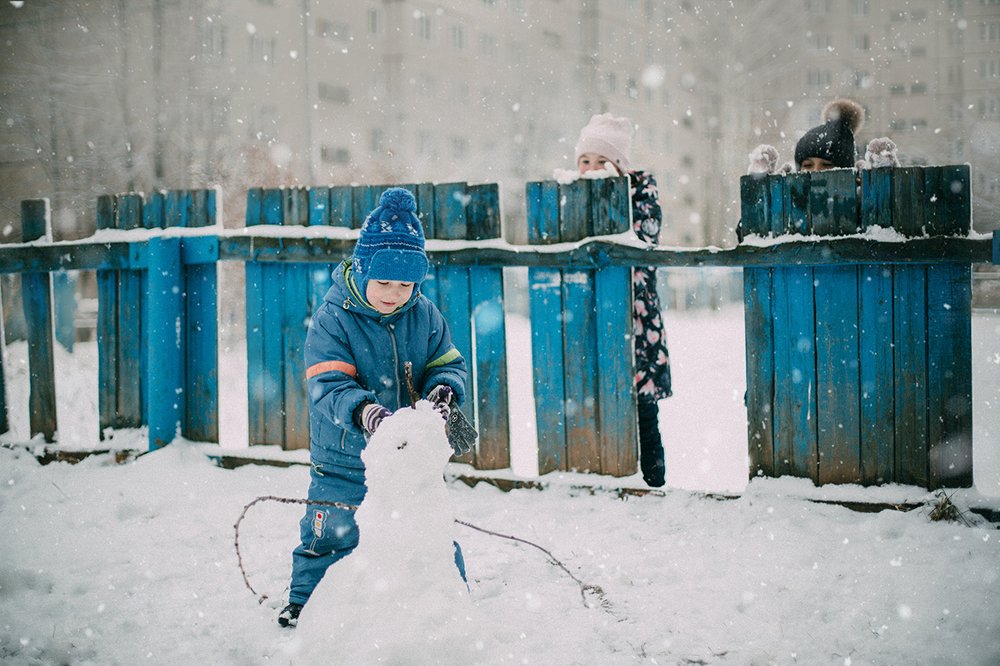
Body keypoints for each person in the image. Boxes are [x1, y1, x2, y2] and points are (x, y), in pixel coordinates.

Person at [278, 187, 468, 627]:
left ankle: (447, 600)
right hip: (344, 455)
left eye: (405, 284)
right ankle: (306, 603)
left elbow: (449, 363)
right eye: (383, 282)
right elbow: (329, 382)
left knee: (427, 526)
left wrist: (443, 392)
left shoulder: (425, 315)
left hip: (407, 457)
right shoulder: (334, 318)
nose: (394, 293)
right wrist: (365, 412)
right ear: (362, 271)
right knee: (333, 531)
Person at [574, 113, 672, 488]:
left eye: (603, 162)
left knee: (644, 407)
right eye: (585, 161)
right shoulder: (572, 198)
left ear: (621, 168)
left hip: (637, 316)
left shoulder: (641, 194)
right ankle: (602, 473)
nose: (592, 170)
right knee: (594, 398)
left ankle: (653, 478)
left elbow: (647, 236)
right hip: (592, 316)